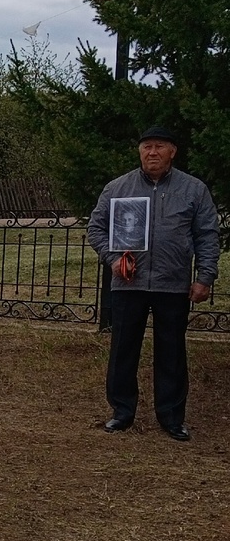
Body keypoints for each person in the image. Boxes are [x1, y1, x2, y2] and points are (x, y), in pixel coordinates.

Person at [87, 126, 219, 441]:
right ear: (139, 151)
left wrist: (205, 276)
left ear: (172, 151)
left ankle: (171, 417)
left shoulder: (194, 190)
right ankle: (122, 412)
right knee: (123, 350)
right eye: (147, 147)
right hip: (128, 284)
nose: (152, 152)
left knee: (171, 351)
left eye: (160, 146)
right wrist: (112, 259)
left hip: (171, 284)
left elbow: (207, 235)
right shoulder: (118, 188)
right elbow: (96, 228)